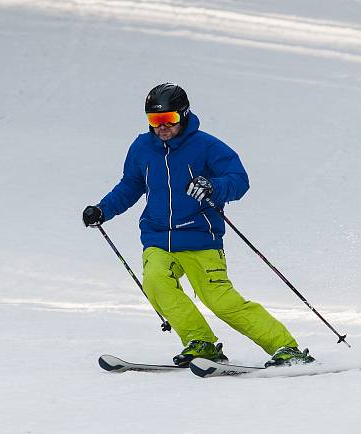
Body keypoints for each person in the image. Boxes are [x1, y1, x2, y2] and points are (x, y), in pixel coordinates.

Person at [82, 83, 314, 367]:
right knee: (156, 282)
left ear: (184, 114)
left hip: (200, 239)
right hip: (158, 237)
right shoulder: (142, 147)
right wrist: (103, 210)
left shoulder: (206, 146)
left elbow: (239, 179)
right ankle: (200, 342)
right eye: (155, 120)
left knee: (221, 301)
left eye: (169, 119)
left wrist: (213, 186)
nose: (162, 127)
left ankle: (286, 348)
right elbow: (130, 185)